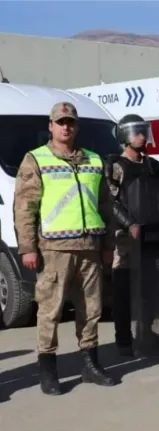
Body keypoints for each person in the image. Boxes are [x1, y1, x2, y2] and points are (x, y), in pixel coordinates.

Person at [14, 102, 117, 395]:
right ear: (51, 126)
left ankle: (90, 365)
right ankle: (48, 371)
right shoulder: (36, 159)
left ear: (77, 126)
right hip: (53, 249)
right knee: (50, 311)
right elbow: (24, 207)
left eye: (70, 122)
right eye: (60, 122)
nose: (66, 127)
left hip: (89, 247)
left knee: (91, 309)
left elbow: (106, 207)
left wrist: (108, 245)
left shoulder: (94, 160)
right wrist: (27, 248)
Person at [105, 114, 159, 357]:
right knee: (123, 289)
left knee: (149, 286)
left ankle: (146, 333)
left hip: (151, 234)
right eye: (135, 132)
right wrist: (129, 224)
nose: (141, 136)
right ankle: (124, 340)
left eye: (143, 131)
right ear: (124, 136)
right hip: (125, 237)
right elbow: (111, 201)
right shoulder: (116, 165)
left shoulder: (151, 165)